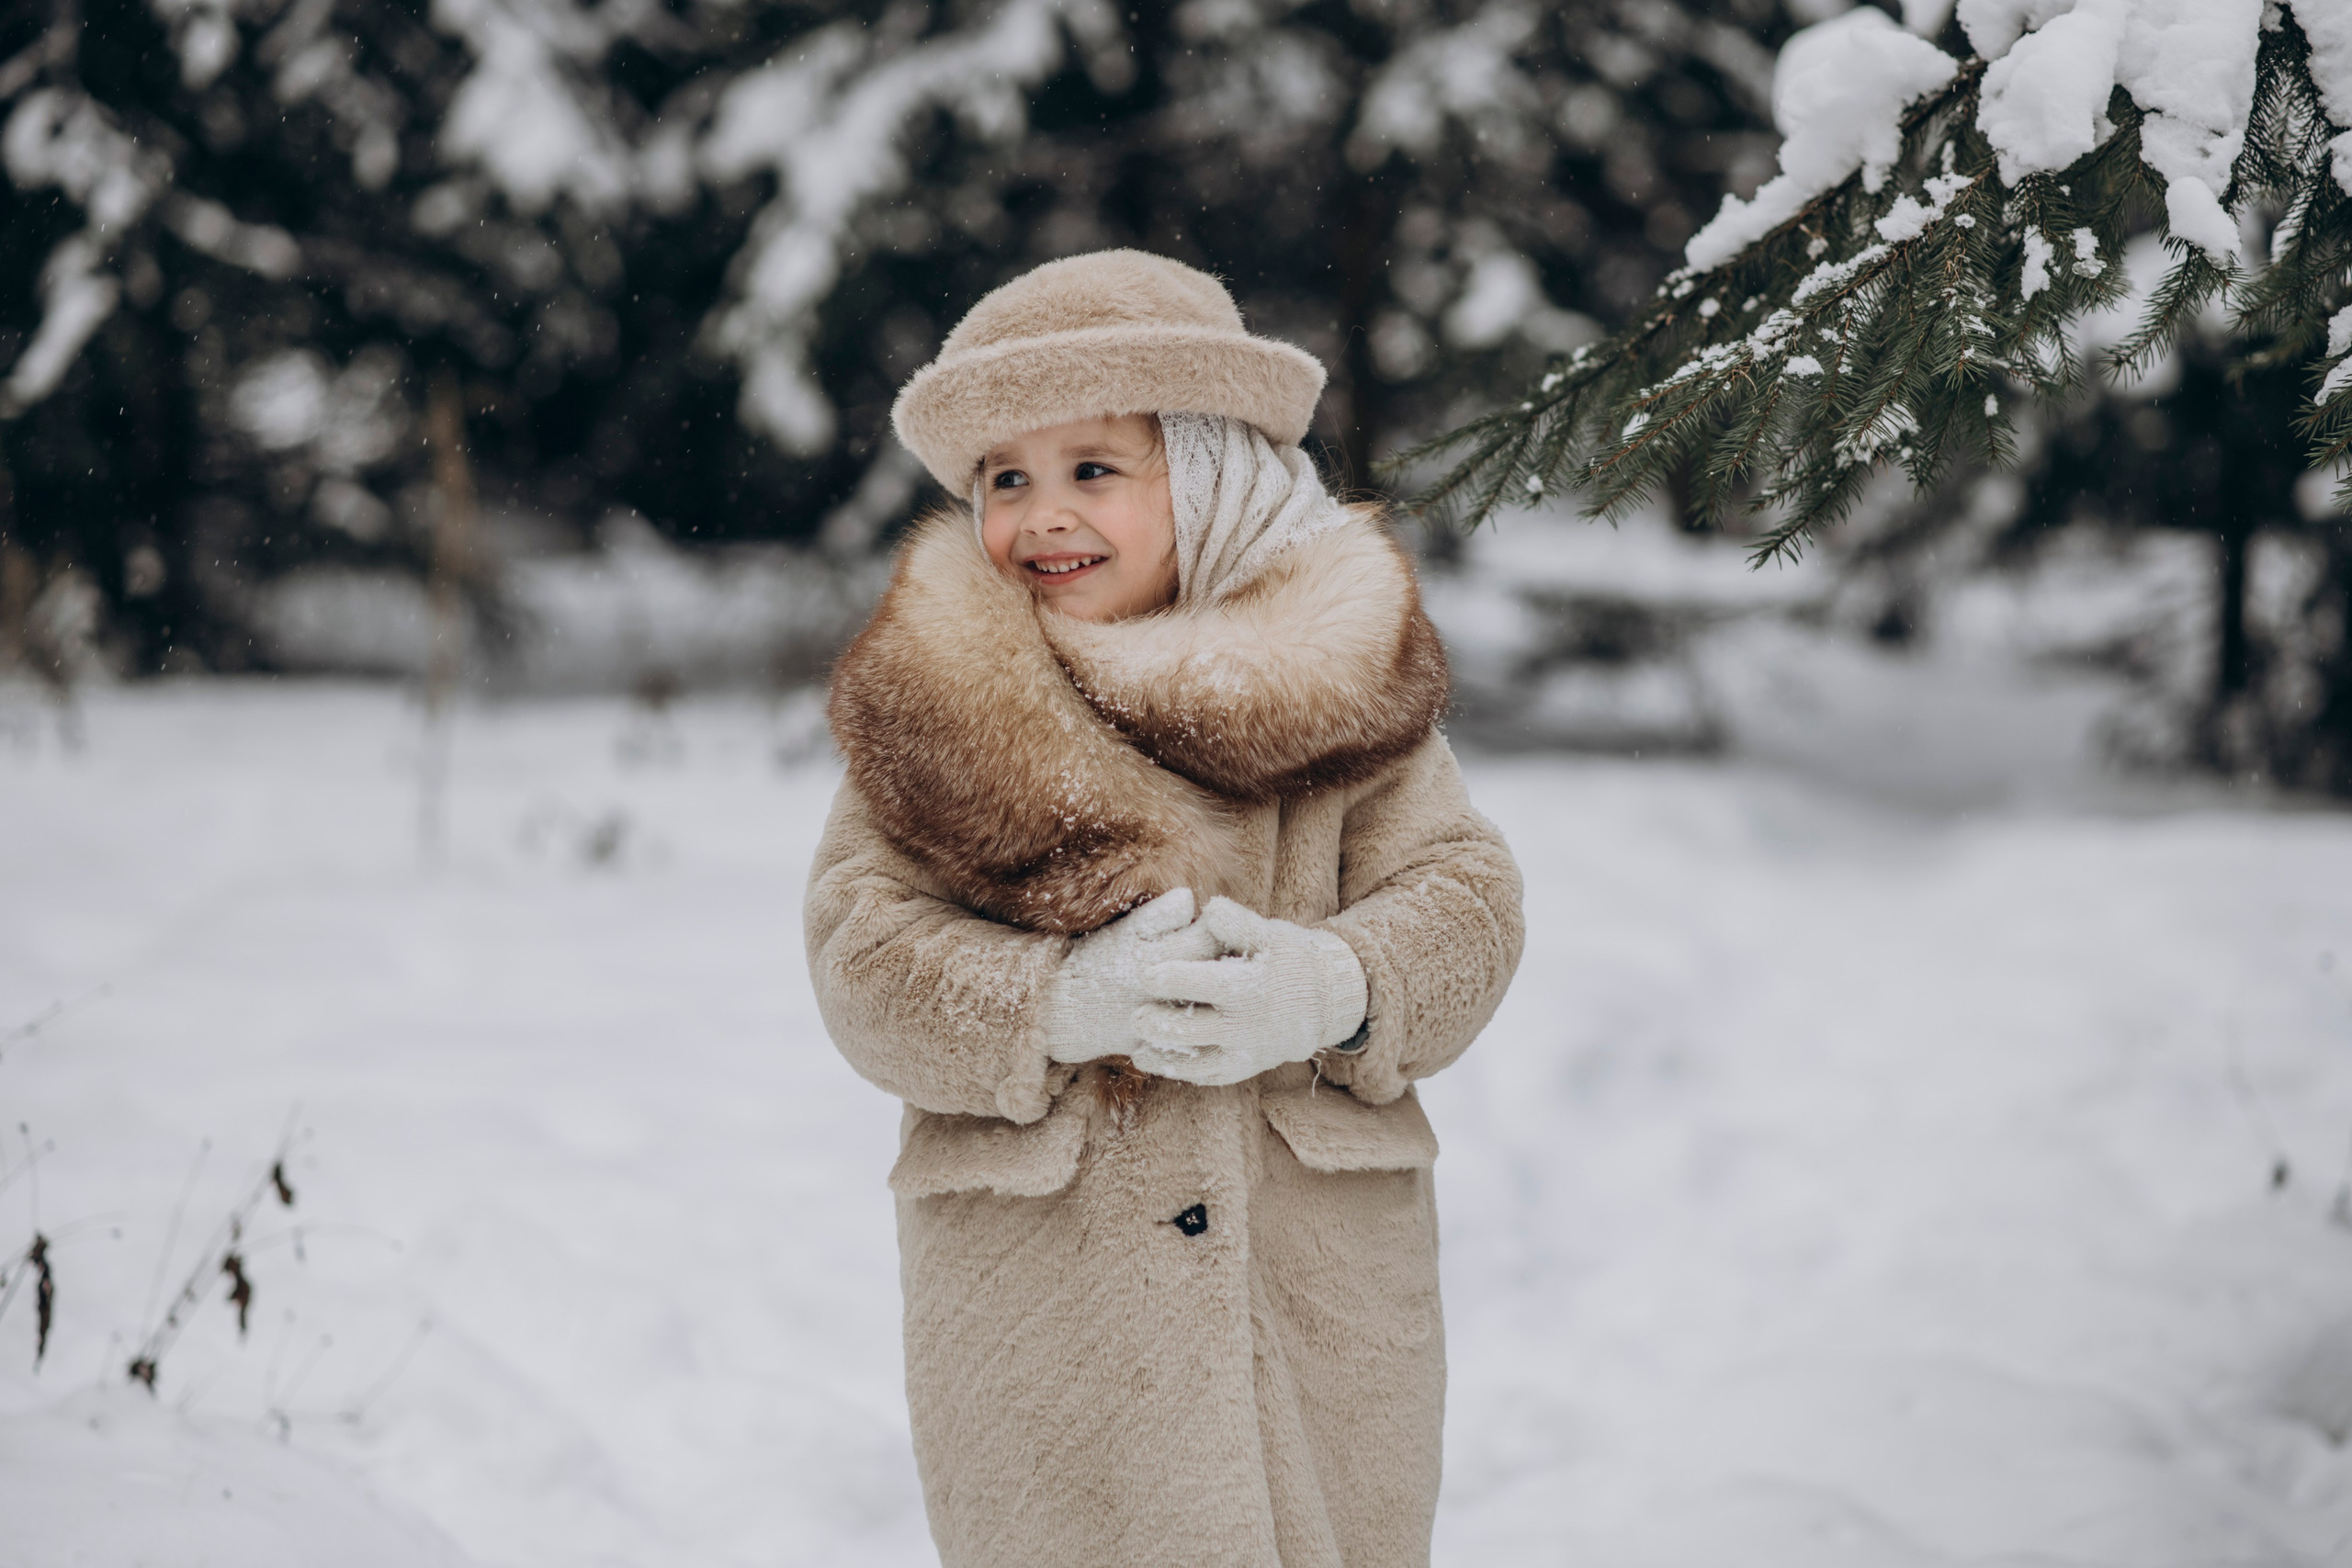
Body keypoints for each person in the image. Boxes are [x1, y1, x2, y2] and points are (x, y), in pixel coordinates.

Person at [806, 249, 1524, 1568]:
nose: (1042, 515)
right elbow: (864, 957)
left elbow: (1466, 901)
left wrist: (1338, 988)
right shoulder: (942, 706)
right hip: (1047, 1318)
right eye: (1006, 479)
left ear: (1211, 472)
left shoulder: (1340, 687)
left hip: (1310, 1299)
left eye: (1094, 469)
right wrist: (1051, 1004)